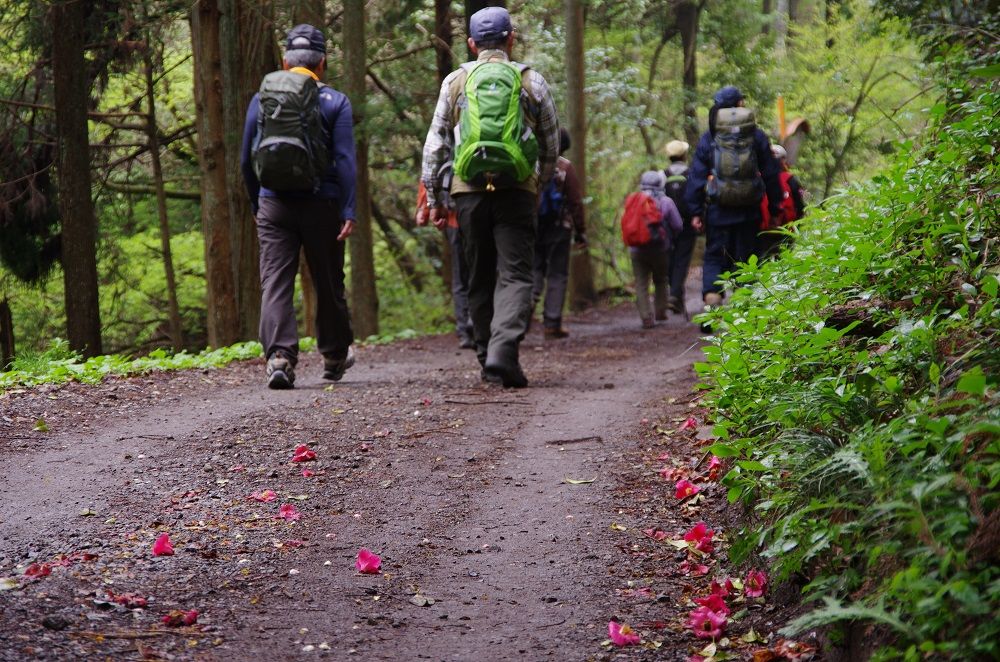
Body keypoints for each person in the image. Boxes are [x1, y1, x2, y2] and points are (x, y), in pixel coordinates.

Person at [421, 6, 559, 388]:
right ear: (511, 39)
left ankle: (487, 358)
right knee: (515, 274)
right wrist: (538, 184)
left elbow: (435, 145)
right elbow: (550, 143)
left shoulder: (455, 81)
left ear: (471, 43)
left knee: (477, 275)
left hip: (468, 192)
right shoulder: (532, 82)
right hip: (516, 189)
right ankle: (504, 351)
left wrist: (434, 198)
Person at [240, 24, 358, 389]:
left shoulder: (262, 98)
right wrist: (348, 209)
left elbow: (247, 158)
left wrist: (256, 201)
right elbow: (344, 160)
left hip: (273, 202)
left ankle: (279, 357)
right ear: (322, 63)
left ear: (285, 61)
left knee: (275, 281)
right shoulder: (335, 101)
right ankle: (335, 355)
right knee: (328, 281)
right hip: (322, 202)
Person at [684, 86, 784, 319]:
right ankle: (745, 314)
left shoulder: (710, 137)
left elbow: (697, 177)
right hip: (749, 212)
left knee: (714, 257)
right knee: (747, 259)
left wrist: (696, 212)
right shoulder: (756, 136)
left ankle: (712, 300)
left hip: (718, 211)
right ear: (740, 104)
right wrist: (775, 207)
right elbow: (771, 174)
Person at [532, 128, 586, 340]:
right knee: (557, 274)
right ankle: (552, 324)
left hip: (534, 226)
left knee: (534, 269)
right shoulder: (564, 167)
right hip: (559, 228)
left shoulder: (533, 164)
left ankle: (524, 310)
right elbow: (575, 202)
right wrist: (581, 232)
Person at [415, 175, 475, 349]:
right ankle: (476, 321)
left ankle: (464, 330)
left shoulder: (446, 146)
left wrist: (424, 211)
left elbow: (430, 173)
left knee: (460, 277)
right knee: (481, 271)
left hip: (453, 217)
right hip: (482, 217)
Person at [628, 171, 683, 329]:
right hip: (660, 248)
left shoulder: (634, 200)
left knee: (641, 283)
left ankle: (646, 317)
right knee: (660, 280)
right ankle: (660, 311)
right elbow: (678, 225)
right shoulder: (666, 201)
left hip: (636, 249)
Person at [662, 139, 695, 317]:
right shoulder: (691, 174)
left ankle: (676, 299)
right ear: (684, 155)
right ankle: (675, 296)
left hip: (667, 227)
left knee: (671, 261)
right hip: (687, 225)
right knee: (682, 261)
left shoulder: (662, 175)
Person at [756, 144, 806, 258]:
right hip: (786, 229)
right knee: (783, 259)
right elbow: (800, 206)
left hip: (763, 230)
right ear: (783, 160)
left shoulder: (757, 179)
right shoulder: (790, 179)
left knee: (763, 260)